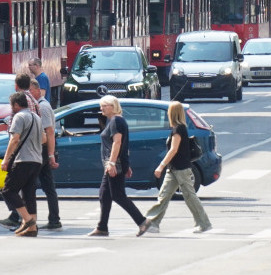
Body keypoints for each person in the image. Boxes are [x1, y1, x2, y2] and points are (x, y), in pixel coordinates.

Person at [141, 101, 212, 235]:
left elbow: (173, 150)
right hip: (173, 169)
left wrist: (160, 166)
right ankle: (152, 223)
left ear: (171, 113)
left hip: (181, 169)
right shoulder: (179, 128)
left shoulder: (178, 129)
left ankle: (204, 223)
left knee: (190, 196)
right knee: (164, 195)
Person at [88, 95, 151, 237]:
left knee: (118, 195)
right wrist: (126, 164)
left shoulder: (116, 121)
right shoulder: (115, 120)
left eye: (104, 105)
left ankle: (142, 221)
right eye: (101, 105)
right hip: (114, 163)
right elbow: (124, 145)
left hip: (114, 164)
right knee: (104, 194)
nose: (101, 108)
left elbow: (118, 143)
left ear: (112, 106)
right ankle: (102, 227)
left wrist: (112, 163)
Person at [0, 92, 43, 237]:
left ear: (16, 105)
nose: (11, 108)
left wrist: (6, 160)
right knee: (29, 193)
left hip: (23, 159)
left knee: (8, 190)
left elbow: (14, 139)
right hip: (37, 160)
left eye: (11, 105)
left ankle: (28, 220)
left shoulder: (19, 117)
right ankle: (32, 228)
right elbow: (43, 138)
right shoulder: (36, 117)